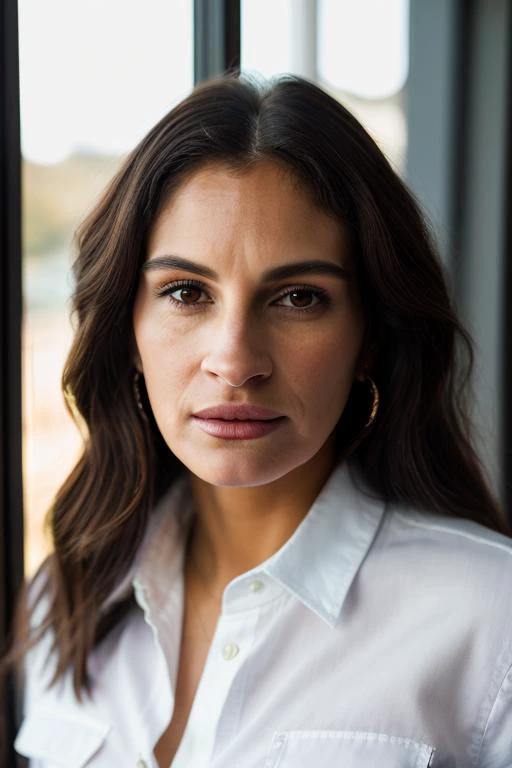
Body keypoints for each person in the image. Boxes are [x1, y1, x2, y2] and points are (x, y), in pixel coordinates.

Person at [9, 72, 512, 767]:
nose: (236, 360)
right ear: (128, 329)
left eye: (299, 298)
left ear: (369, 335)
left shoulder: (490, 617)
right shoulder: (64, 603)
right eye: (186, 292)